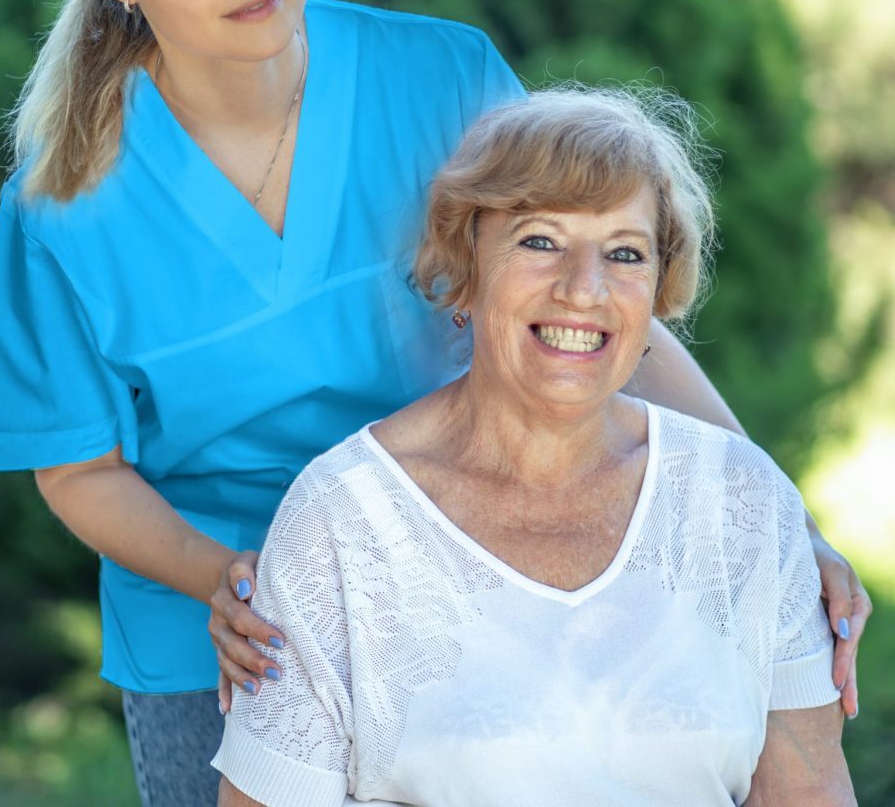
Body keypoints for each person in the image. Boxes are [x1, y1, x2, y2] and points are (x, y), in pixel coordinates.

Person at [0, 0, 867, 806]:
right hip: (225, 633)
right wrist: (232, 582)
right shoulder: (65, 203)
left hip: (486, 576)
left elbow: (586, 309)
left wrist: (779, 520)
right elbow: (78, 469)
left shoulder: (441, 80)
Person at [214, 85, 856, 807]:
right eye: (541, 242)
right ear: (466, 266)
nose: (584, 290)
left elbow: (808, 792)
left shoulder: (743, 502)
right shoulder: (339, 523)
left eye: (624, 253)